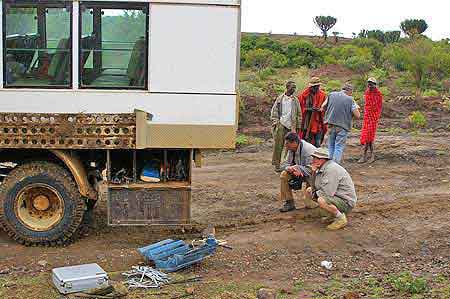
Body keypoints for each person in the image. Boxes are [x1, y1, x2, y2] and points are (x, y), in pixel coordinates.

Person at [306, 147, 357, 230]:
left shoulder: (331, 169)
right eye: (314, 157)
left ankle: (340, 218)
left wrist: (314, 194)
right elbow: (314, 186)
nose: (315, 160)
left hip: (346, 202)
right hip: (336, 197)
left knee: (321, 200)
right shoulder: (321, 168)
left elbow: (327, 193)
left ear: (325, 159)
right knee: (310, 191)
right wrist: (313, 173)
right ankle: (332, 214)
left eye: (318, 158)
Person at [321, 83, 360, 163]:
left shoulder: (331, 95)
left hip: (331, 124)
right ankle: (335, 165)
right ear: (350, 91)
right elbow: (357, 115)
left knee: (330, 146)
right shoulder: (350, 99)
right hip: (343, 126)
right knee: (338, 146)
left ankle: (329, 165)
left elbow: (323, 107)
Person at [279, 132, 317, 213]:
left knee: (310, 205)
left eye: (288, 144)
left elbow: (313, 169)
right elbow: (283, 164)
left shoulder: (308, 150)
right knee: (284, 175)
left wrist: (298, 168)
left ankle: (317, 199)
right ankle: (289, 202)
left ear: (295, 142)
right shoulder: (291, 149)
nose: (286, 146)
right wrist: (289, 168)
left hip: (313, 176)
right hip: (300, 172)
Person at [270, 81, 301, 172]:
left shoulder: (295, 100)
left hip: (291, 126)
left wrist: (298, 126)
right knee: (278, 146)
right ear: (287, 88)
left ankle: (288, 164)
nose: (294, 89)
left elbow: (299, 114)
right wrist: (275, 122)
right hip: (281, 125)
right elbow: (274, 111)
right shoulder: (280, 99)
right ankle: (277, 164)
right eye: (292, 87)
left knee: (291, 146)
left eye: (295, 88)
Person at [358, 77, 383, 164]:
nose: (369, 85)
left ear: (375, 84)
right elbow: (367, 105)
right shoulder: (367, 92)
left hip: (373, 118)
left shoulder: (378, 94)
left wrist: (375, 117)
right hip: (367, 117)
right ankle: (369, 156)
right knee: (366, 136)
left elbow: (379, 107)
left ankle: (367, 156)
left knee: (370, 137)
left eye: (371, 83)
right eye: (369, 83)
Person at [298, 77, 327, 147]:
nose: (315, 89)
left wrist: (320, 110)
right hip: (306, 122)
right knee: (307, 141)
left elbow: (325, 108)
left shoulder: (322, 95)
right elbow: (300, 107)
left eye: (317, 87)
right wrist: (309, 109)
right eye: (313, 87)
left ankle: (317, 156)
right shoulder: (304, 94)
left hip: (318, 121)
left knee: (318, 141)